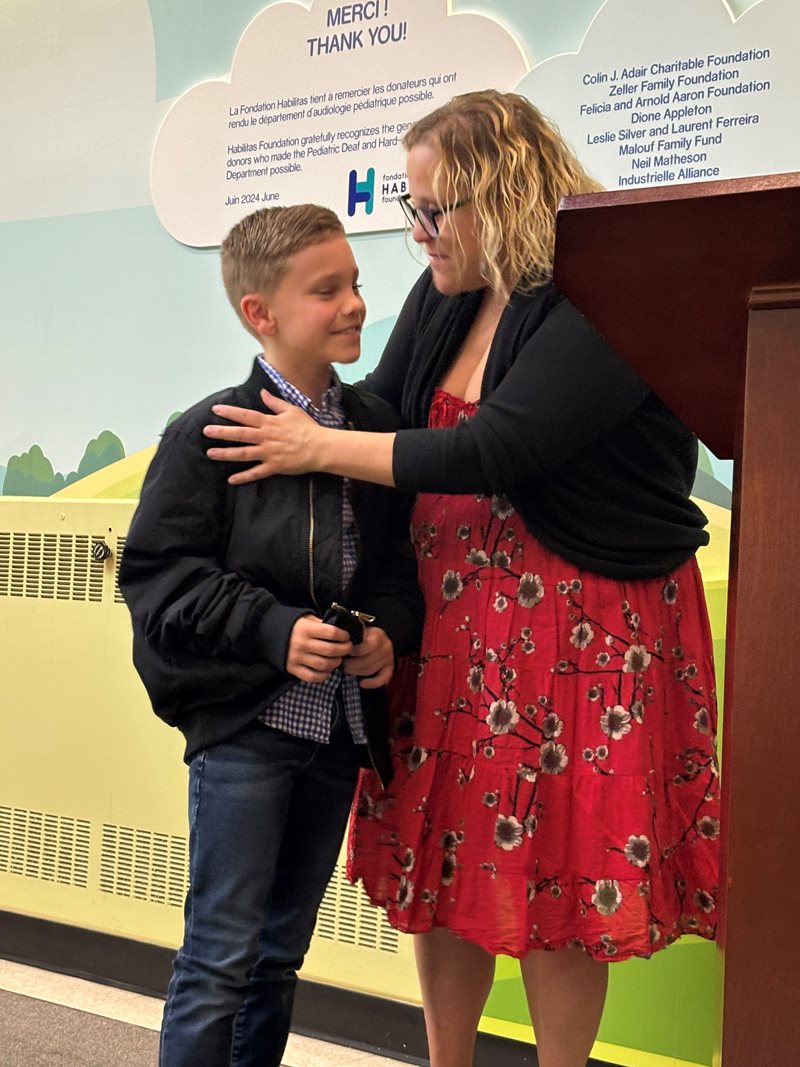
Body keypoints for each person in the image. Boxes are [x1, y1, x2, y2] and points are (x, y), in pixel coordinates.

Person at [202, 91, 721, 1067]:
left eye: (433, 209)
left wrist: (315, 439)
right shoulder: (446, 293)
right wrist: (282, 376)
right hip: (446, 626)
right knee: (445, 861)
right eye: (411, 207)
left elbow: (499, 445)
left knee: (562, 872)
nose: (419, 232)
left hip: (581, 628)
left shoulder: (608, 288)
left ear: (502, 192)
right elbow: (386, 408)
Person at [118, 203, 422, 1067]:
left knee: (279, 958)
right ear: (262, 313)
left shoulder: (371, 428)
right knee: (219, 958)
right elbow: (158, 577)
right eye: (327, 289)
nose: (355, 303)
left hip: (334, 738)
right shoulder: (208, 433)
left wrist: (386, 635)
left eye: (355, 282)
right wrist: (272, 628)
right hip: (246, 735)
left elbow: (399, 571)